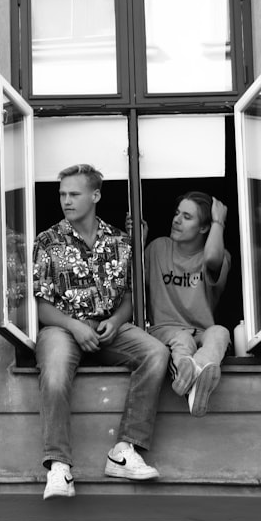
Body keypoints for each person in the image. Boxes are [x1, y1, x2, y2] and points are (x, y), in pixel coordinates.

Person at [33, 164, 169, 500]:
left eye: (74, 194)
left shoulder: (120, 242)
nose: (66, 200)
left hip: (109, 329)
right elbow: (41, 306)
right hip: (62, 327)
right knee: (53, 371)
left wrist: (118, 319)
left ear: (95, 196)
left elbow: (128, 298)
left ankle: (124, 450)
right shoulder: (47, 241)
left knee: (156, 353)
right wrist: (74, 326)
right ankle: (59, 467)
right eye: (62, 194)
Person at [145, 192, 231, 418]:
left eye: (187, 216)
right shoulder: (158, 248)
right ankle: (190, 379)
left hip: (201, 332)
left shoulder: (219, 255)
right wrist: (137, 241)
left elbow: (211, 260)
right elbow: (130, 283)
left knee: (220, 332)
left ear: (204, 228)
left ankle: (196, 376)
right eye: (176, 213)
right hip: (164, 331)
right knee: (182, 339)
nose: (176, 220)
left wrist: (218, 222)